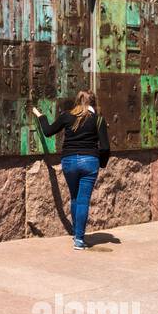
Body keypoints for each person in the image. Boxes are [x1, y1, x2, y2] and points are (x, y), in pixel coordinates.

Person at [32, 90, 110, 250]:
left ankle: (76, 233)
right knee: (82, 200)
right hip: (89, 162)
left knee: (75, 197)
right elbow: (105, 147)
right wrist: (101, 163)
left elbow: (48, 132)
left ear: (77, 102)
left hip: (69, 162)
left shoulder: (66, 116)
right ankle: (79, 239)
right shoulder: (98, 120)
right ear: (93, 103)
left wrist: (41, 116)